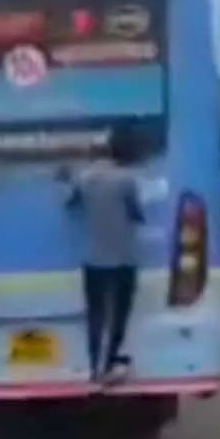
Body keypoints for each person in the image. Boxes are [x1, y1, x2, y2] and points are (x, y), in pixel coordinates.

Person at [59, 126, 145, 387]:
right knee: (119, 314)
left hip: (94, 257)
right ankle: (110, 364)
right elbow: (136, 214)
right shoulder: (126, 179)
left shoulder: (84, 179)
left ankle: (93, 367)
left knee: (96, 314)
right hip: (123, 257)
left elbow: (70, 203)